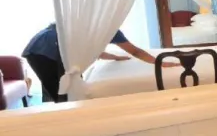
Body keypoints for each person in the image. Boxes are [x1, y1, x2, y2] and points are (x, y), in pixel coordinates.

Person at [22, 23, 175, 103]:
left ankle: (71, 114)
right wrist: (159, 63)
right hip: (42, 49)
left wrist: (114, 57)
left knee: (68, 86)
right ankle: (67, 122)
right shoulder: (99, 29)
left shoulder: (102, 29)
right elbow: (135, 51)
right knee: (61, 90)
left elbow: (90, 51)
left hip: (48, 46)